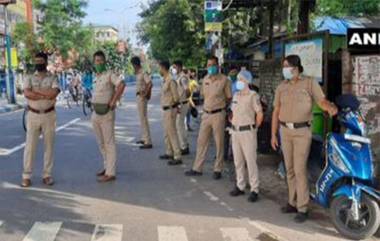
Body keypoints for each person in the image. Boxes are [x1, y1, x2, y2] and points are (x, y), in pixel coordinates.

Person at [271, 55, 337, 222]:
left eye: (286, 66)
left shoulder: (309, 83)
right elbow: (276, 111)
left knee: (300, 169)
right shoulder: (281, 87)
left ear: (295, 67)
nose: (284, 69)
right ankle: (291, 202)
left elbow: (321, 101)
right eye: (283, 66)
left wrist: (329, 107)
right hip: (285, 131)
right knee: (289, 169)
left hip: (302, 132)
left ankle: (302, 208)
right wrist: (273, 134)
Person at [185, 56, 232, 180]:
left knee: (219, 143)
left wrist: (222, 108)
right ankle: (197, 168)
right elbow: (203, 96)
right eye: (208, 65)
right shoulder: (205, 79)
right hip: (206, 114)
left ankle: (218, 169)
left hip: (218, 114)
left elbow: (229, 98)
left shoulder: (224, 80)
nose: (210, 67)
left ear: (218, 66)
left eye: (213, 65)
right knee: (201, 141)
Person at [21, 52, 60, 187]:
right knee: (30, 146)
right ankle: (26, 176)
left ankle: (47, 175)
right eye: (36, 61)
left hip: (49, 115)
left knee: (49, 146)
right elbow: (27, 93)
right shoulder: (29, 77)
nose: (38, 63)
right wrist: (45, 94)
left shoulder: (53, 77)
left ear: (45, 62)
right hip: (33, 115)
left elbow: (54, 93)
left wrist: (37, 92)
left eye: (40, 61)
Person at [229, 70, 263, 202]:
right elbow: (232, 111)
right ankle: (240, 185)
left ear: (247, 81)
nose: (238, 82)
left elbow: (259, 113)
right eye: (237, 79)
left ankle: (254, 189)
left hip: (248, 132)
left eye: (240, 79)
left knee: (250, 161)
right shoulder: (236, 95)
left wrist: (255, 128)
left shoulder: (253, 95)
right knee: (238, 161)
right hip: (235, 131)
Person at [92, 50, 125, 182]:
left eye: (100, 60)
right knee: (100, 142)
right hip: (95, 113)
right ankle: (107, 167)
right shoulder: (96, 76)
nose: (98, 63)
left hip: (107, 113)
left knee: (109, 142)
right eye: (96, 61)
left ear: (104, 62)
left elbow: (121, 85)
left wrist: (113, 101)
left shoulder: (110, 74)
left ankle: (111, 173)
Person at [158, 60, 183, 165]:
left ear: (163, 68)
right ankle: (169, 152)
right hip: (165, 109)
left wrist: (175, 107)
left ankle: (177, 156)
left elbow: (176, 97)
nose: (159, 70)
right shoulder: (165, 80)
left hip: (170, 109)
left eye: (159, 67)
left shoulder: (171, 80)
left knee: (172, 133)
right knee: (166, 133)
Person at [131, 56, 153, 149]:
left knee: (143, 119)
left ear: (135, 64)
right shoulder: (138, 73)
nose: (132, 66)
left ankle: (148, 141)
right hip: (139, 97)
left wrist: (145, 93)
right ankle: (144, 138)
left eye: (132, 64)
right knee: (142, 118)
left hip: (141, 97)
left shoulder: (143, 73)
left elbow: (150, 83)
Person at [173, 60, 191, 155]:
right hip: (182, 103)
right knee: (180, 126)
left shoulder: (182, 78)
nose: (174, 69)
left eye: (175, 67)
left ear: (179, 67)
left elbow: (187, 90)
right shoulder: (179, 77)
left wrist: (183, 101)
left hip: (182, 104)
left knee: (179, 126)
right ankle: (184, 145)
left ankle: (184, 147)